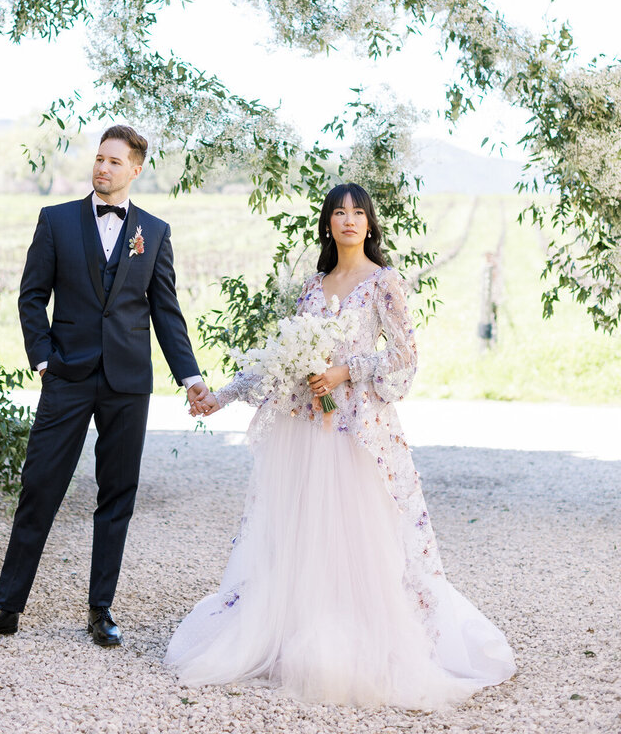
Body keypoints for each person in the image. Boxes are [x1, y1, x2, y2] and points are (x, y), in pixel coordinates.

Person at [166, 183, 515, 709]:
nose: (348, 219)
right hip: (309, 431)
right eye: (338, 212)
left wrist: (346, 370)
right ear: (328, 224)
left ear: (370, 224)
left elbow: (405, 360)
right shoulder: (313, 286)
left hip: (360, 431)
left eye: (358, 212)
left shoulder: (385, 283)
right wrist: (221, 395)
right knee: (306, 532)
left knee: (365, 536)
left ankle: (372, 642)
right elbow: (283, 360)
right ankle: (300, 633)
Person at [0, 125, 209, 647]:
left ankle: (100, 610)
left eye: (115, 161)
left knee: (117, 496)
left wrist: (192, 377)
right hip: (66, 376)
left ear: (135, 169)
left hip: (128, 383)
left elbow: (166, 312)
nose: (103, 168)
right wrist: (43, 359)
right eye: (98, 158)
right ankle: (5, 608)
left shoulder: (154, 233)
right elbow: (31, 297)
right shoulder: (57, 220)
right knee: (39, 488)